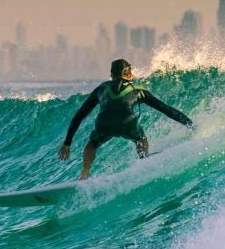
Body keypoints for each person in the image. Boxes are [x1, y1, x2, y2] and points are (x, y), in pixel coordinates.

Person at [58, 58, 193, 179]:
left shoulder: (101, 88)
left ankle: (84, 173)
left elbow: (79, 115)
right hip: (128, 123)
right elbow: (165, 109)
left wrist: (67, 143)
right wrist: (189, 123)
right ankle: (144, 161)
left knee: (92, 145)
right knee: (141, 139)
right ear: (129, 73)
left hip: (104, 123)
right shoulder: (138, 89)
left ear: (112, 74)